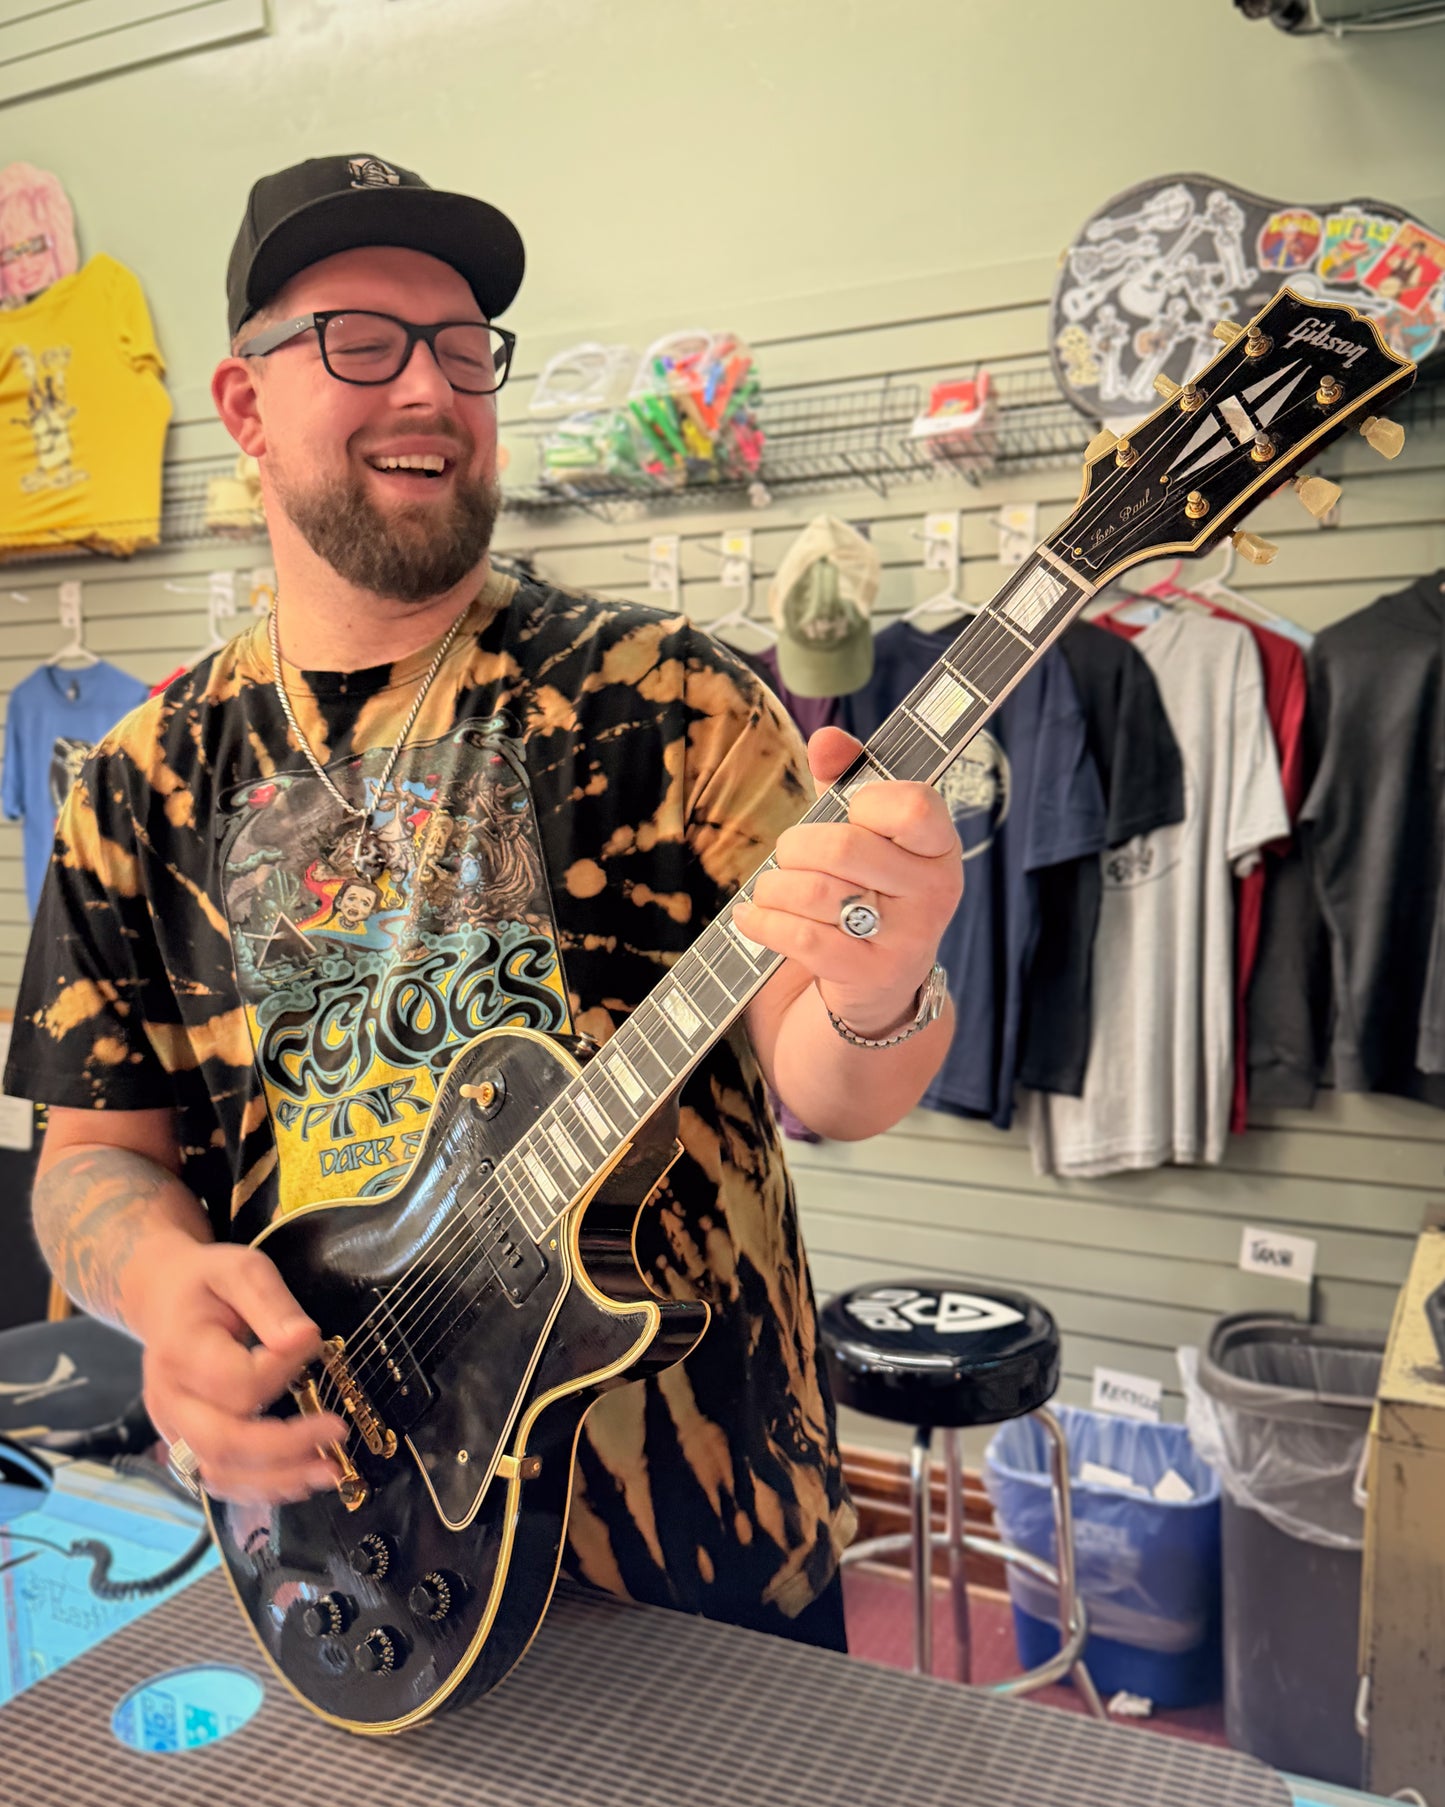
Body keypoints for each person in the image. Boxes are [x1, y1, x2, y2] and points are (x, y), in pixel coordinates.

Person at [5, 154, 961, 1652]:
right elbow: (87, 1165)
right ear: (245, 406)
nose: (431, 390)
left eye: (464, 350)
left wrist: (882, 972)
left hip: (700, 1552)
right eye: (361, 344)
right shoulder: (140, 784)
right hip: (343, 1549)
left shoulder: (671, 700)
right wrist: (161, 1285)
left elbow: (827, 1085)